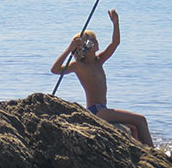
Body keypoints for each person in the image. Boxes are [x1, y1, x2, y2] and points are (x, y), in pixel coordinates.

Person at [50, 9, 153, 146]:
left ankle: (145, 154)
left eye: (95, 38)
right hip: (96, 111)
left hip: (103, 108)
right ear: (85, 46)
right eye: (91, 40)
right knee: (140, 120)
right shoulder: (79, 65)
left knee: (133, 129)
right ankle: (155, 153)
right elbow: (55, 69)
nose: (95, 41)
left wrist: (116, 23)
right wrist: (70, 48)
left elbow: (115, 43)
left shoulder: (99, 61)